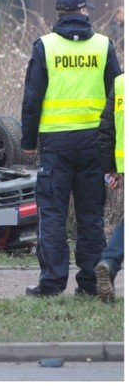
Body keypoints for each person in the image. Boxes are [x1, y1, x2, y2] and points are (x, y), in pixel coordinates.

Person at [21, 0, 121, 297]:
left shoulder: (45, 47)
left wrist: (28, 140)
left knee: (52, 213)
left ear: (60, 15)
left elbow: (32, 98)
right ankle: (91, 283)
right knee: (90, 216)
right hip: (94, 144)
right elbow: (118, 97)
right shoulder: (104, 46)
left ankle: (51, 283)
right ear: (82, 12)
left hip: (56, 144)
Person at [95, 73, 123, 303]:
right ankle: (110, 262)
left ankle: (110, 262)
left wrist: (111, 169)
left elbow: (106, 129)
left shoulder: (121, 83)